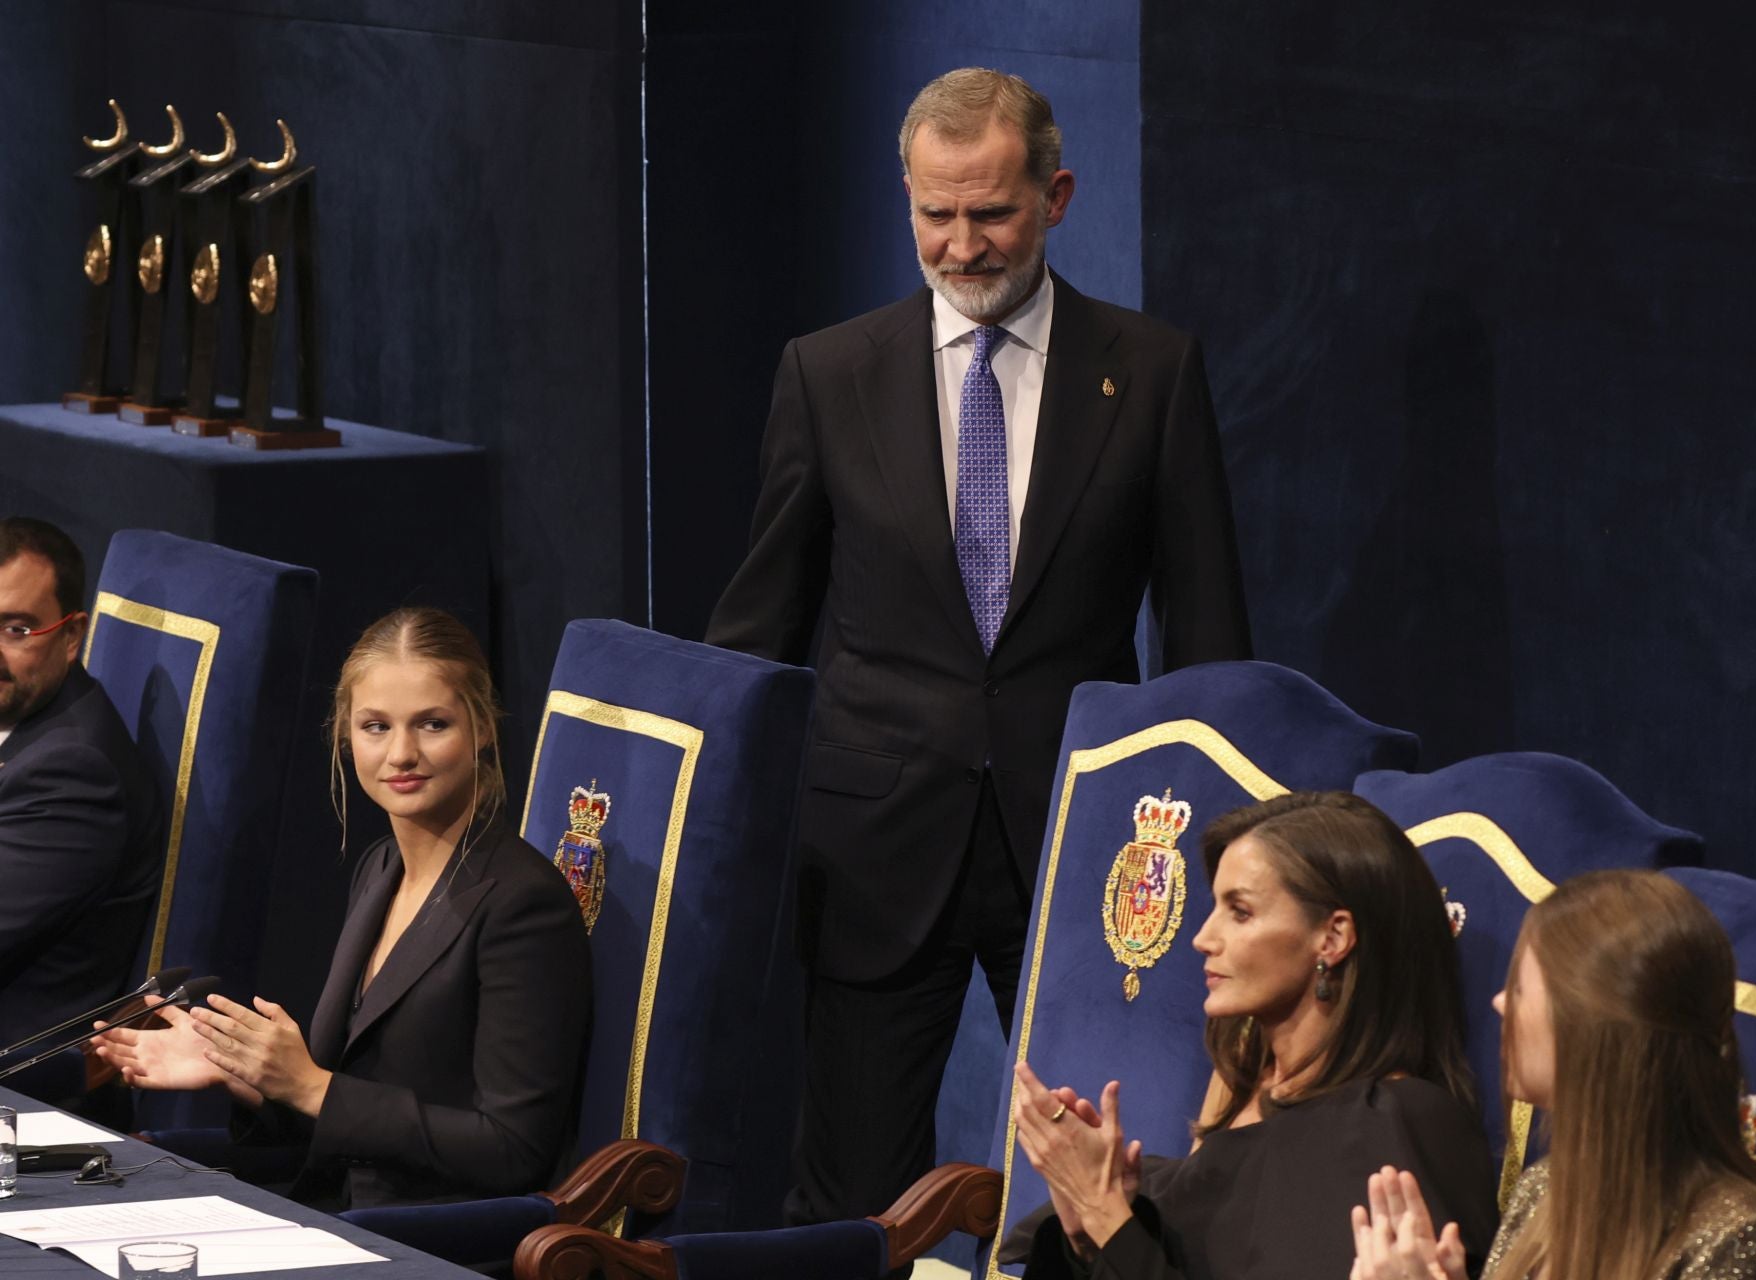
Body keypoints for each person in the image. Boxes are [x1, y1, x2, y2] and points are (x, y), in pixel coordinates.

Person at [705, 66, 1252, 1227]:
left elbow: (1210, 644)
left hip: (1092, 855)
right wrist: (725, 840)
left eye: (991, 213)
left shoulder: (1151, 374)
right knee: (851, 1202)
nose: (960, 245)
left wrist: (1223, 861)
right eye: (934, 214)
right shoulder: (829, 370)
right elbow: (760, 627)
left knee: (1115, 1184)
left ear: (1056, 195)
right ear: (906, 197)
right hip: (871, 850)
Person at [96, 607, 591, 1209]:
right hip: (337, 1209)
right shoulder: (379, 868)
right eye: (376, 726)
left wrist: (312, 1087)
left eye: (432, 724)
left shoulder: (522, 902)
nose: (402, 753)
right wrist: (244, 1073)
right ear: (345, 733)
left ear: (482, 728)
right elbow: (334, 1111)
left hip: (434, 1240)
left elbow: (513, 1150)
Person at [1009, 791, 1498, 1279]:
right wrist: (1084, 1232)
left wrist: (1105, 1215)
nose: (1203, 937)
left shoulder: (1399, 1126)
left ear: (1332, 938)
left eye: (1239, 912)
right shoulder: (1244, 1083)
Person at [1349, 869, 1756, 1280]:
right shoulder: (1544, 1187)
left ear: (1590, 1031)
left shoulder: (1743, 1238)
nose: (1500, 1003)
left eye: (1522, 990)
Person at [0, 517, 163, 1066]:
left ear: (72, 637)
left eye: (16, 629)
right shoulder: (18, 713)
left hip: (20, 1086)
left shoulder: (74, 774)